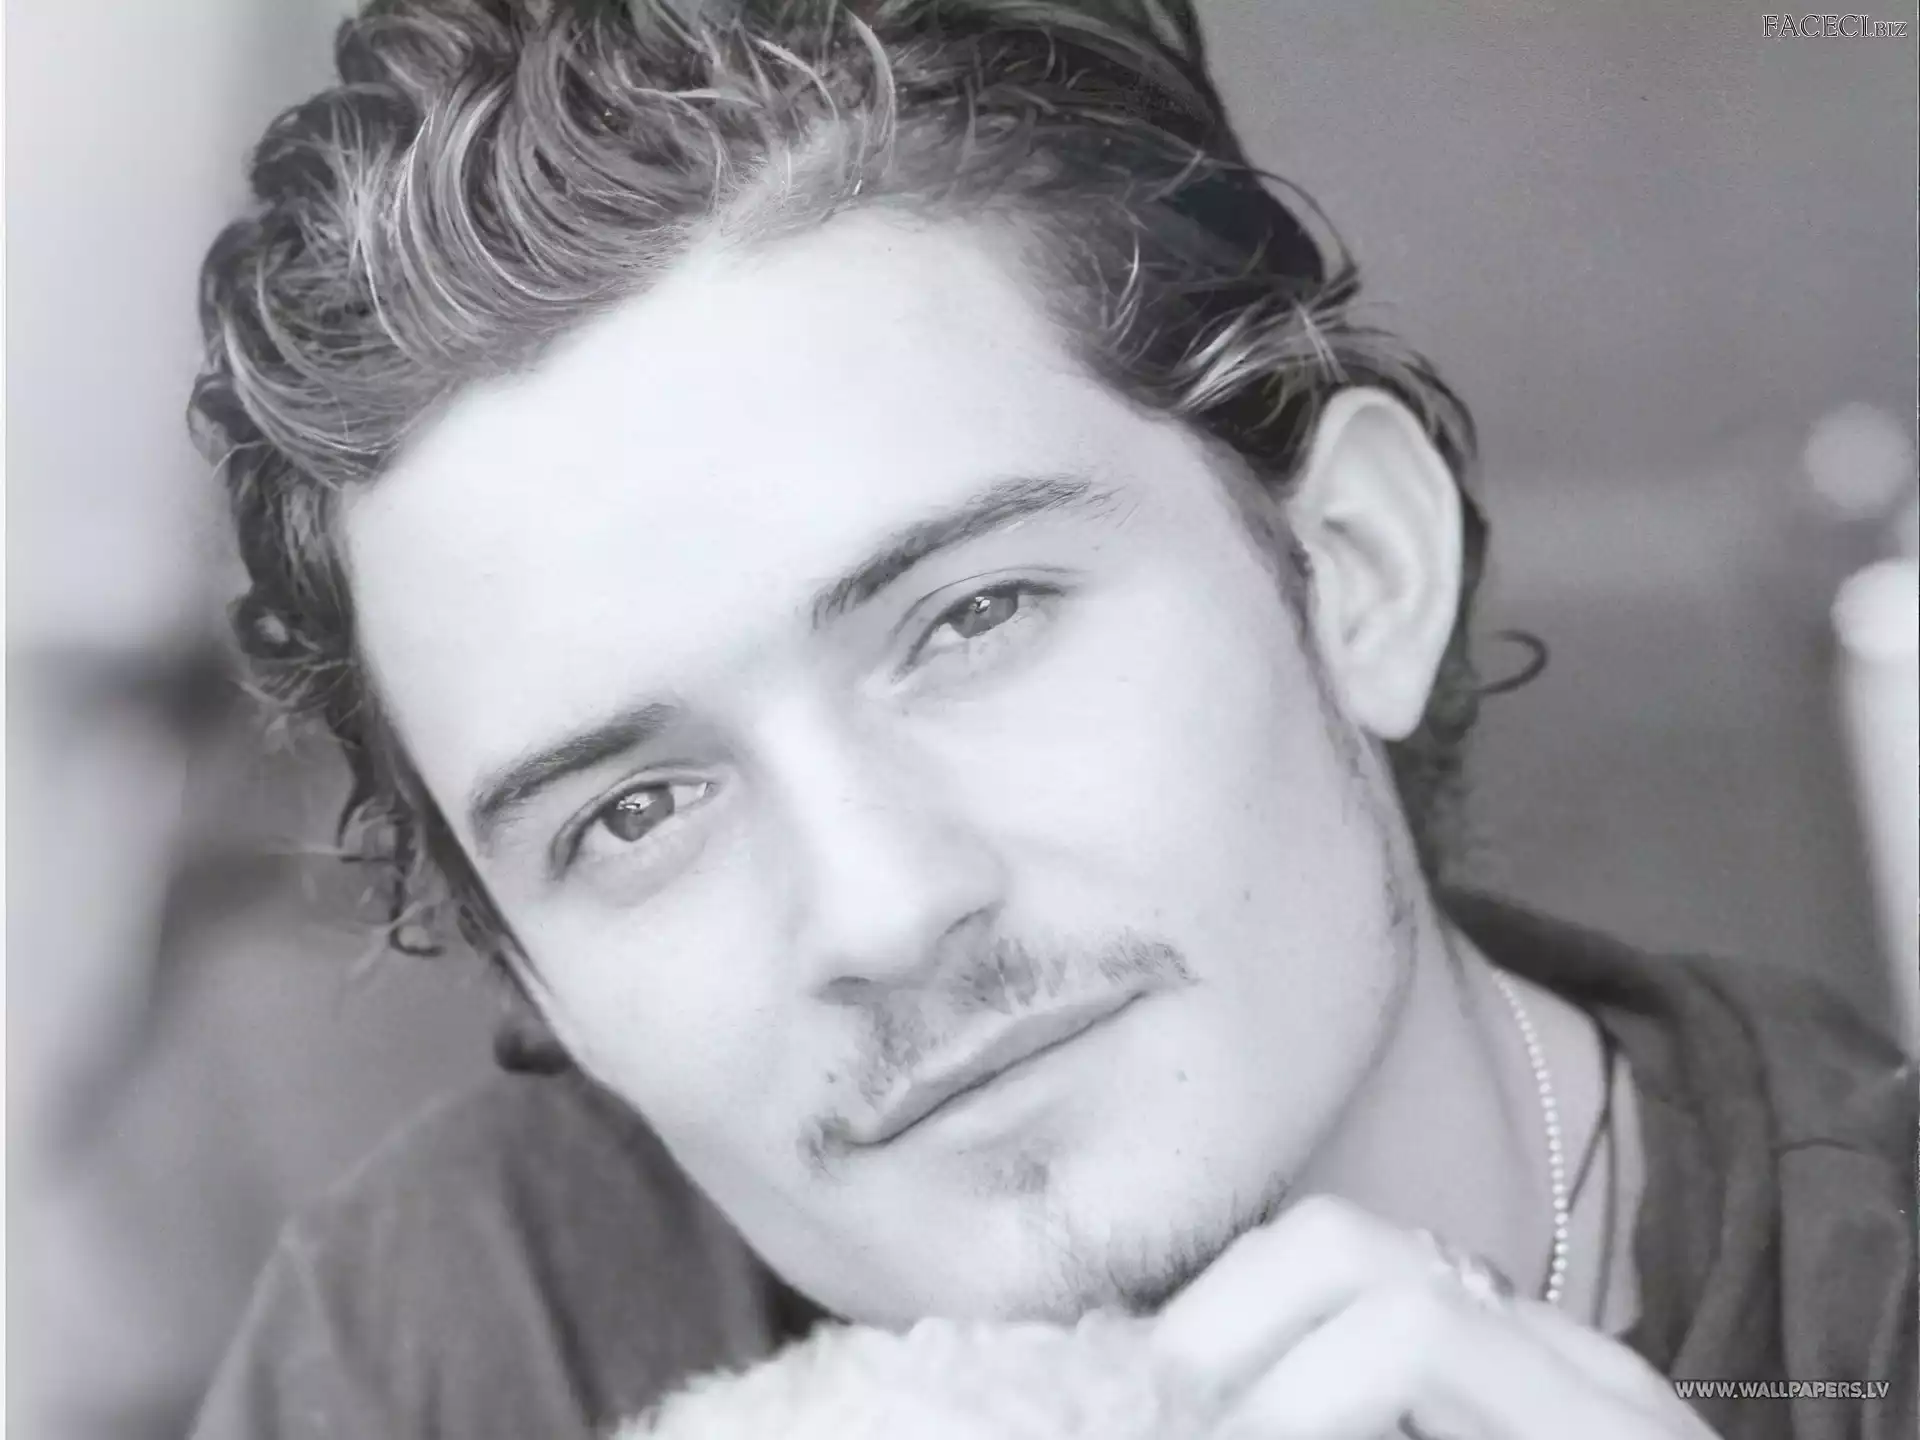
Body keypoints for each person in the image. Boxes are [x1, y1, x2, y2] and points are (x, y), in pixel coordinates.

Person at [185, 2, 1916, 1436]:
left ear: (1359, 569)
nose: (882, 910)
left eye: (974, 619)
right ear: (534, 983)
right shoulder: (442, 1351)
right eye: (632, 813)